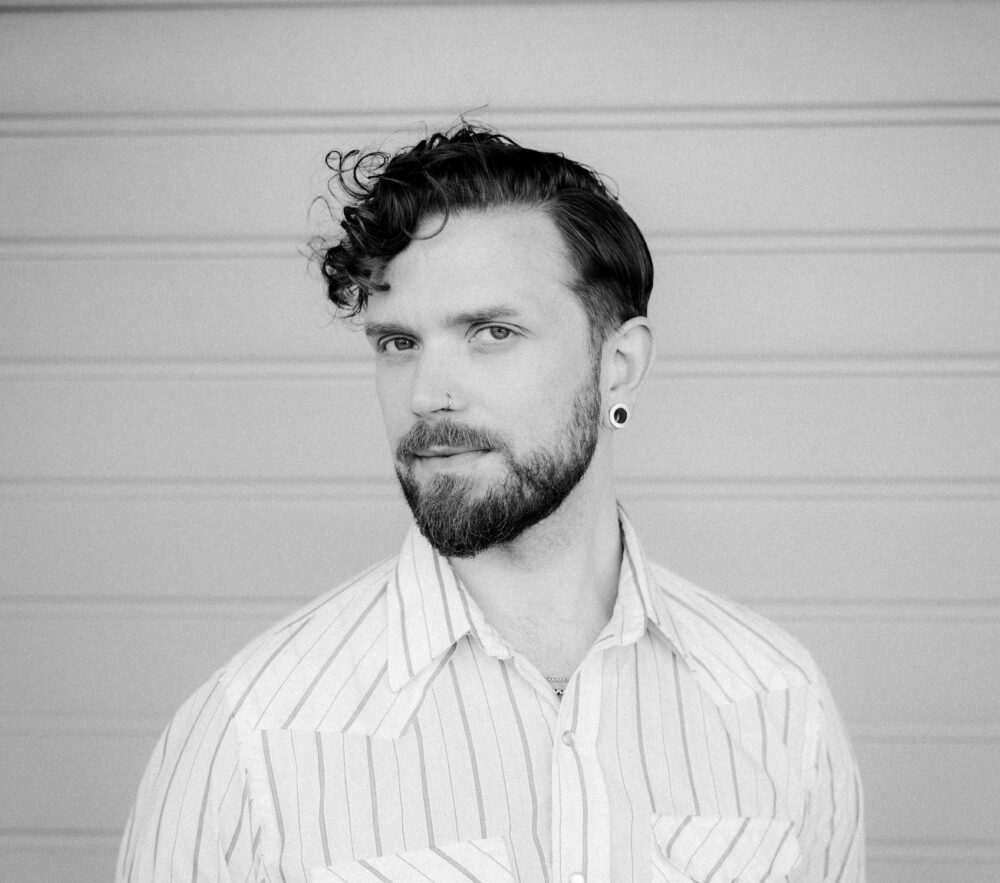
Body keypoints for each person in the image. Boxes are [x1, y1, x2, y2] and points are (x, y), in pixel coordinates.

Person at [118, 125, 864, 882]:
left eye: (491, 332)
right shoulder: (249, 735)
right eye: (398, 344)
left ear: (619, 365)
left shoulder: (778, 699)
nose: (426, 394)